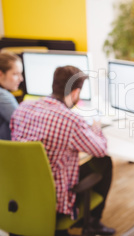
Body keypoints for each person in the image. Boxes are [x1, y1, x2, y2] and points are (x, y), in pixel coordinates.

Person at [10, 66, 115, 235]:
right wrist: (96, 127)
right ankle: (93, 222)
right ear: (75, 93)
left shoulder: (22, 108)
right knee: (104, 161)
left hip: (18, 195)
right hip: (53, 204)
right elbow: (100, 149)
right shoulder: (71, 120)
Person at [0, 52, 23, 140]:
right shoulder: (3, 96)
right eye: (15, 74)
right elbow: (22, 124)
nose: (21, 79)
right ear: (0, 74)